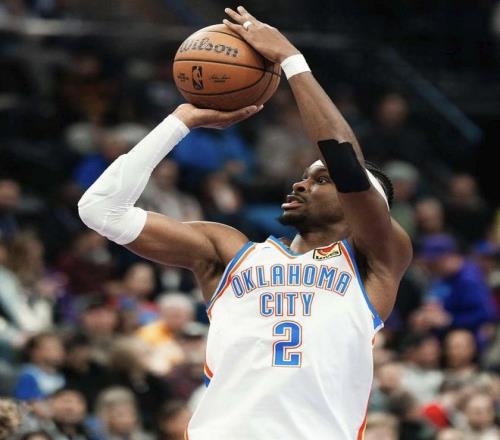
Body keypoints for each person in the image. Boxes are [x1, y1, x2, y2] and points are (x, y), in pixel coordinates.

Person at [78, 6, 412, 439]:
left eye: (321, 179)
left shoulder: (376, 261)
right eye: (305, 175)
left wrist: (291, 59)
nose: (301, 183)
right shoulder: (229, 252)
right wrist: (181, 121)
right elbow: (100, 210)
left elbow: (346, 162)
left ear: (362, 207)